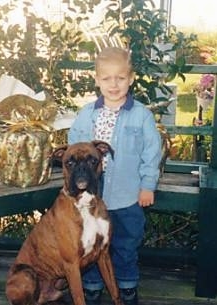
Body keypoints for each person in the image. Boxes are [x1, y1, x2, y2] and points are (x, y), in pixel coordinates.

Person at [68, 47, 162, 305]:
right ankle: (92, 285)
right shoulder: (86, 114)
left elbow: (152, 154)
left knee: (125, 245)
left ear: (130, 78)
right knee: (89, 243)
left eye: (120, 78)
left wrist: (147, 186)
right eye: (106, 78)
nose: (113, 84)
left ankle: (128, 285)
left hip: (127, 197)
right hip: (92, 200)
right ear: (97, 80)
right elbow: (74, 149)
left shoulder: (141, 115)